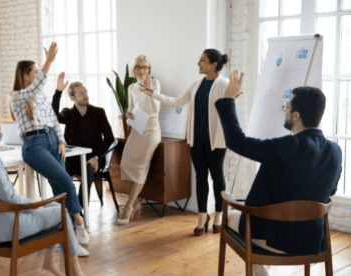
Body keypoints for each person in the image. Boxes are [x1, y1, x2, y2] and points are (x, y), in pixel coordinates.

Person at [216, 71, 342, 276]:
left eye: (287, 107)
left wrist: (227, 99)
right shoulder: (335, 151)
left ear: (296, 115)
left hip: (274, 239)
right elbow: (331, 190)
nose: (285, 111)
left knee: (229, 215)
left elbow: (236, 142)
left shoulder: (288, 145)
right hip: (312, 241)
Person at [0, 103, 87, 276]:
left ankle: (49, 264)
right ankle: (75, 272)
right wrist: (35, 204)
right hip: (6, 228)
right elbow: (11, 199)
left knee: (53, 209)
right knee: (61, 212)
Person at [139, 49, 231, 235]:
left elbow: (230, 106)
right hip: (195, 139)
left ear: (213, 64)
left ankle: (219, 215)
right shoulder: (196, 84)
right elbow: (177, 102)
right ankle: (202, 216)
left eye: (202, 60)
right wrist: (153, 94)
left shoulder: (224, 84)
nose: (198, 63)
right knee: (200, 177)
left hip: (216, 140)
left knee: (217, 177)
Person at [7, 42, 90, 246]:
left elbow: (53, 120)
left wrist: (61, 141)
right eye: (35, 72)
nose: (37, 75)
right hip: (34, 145)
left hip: (52, 142)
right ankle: (79, 222)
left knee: (59, 187)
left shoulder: (41, 97)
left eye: (38, 71)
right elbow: (36, 87)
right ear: (25, 75)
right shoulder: (16, 96)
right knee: (67, 182)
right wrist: (49, 61)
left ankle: (64, 231)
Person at [51, 73, 115, 207]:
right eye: (81, 93)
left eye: (85, 92)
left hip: (92, 160)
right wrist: (58, 92)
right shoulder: (68, 113)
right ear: (72, 97)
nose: (85, 95)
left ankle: (78, 210)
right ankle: (59, 210)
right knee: (55, 172)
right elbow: (53, 115)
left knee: (88, 169)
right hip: (72, 160)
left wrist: (96, 157)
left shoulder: (99, 112)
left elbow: (109, 138)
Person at [118, 55, 162, 225]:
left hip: (151, 129)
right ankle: (135, 203)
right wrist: (128, 114)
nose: (143, 70)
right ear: (134, 70)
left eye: (146, 67)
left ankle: (128, 207)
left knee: (141, 168)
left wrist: (150, 91)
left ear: (149, 70)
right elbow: (130, 108)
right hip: (137, 127)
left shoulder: (155, 84)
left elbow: (155, 108)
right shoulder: (131, 87)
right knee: (125, 165)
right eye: (139, 67)